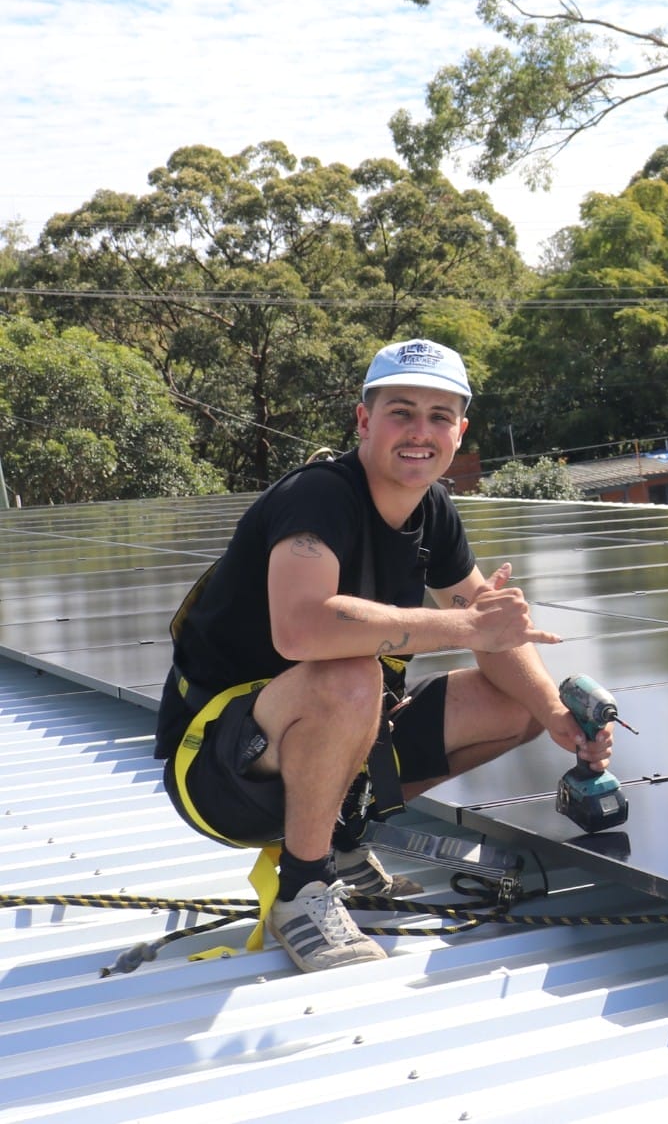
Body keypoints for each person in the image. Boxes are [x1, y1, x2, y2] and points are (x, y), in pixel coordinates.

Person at [154, 339, 613, 973]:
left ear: (459, 431)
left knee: (515, 702)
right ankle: (301, 891)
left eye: (439, 416)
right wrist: (464, 625)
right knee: (348, 674)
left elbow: (489, 630)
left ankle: (339, 841)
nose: (420, 432)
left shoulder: (433, 511)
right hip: (218, 769)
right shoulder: (317, 497)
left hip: (310, 749)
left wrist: (556, 715)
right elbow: (302, 631)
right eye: (401, 411)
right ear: (364, 420)